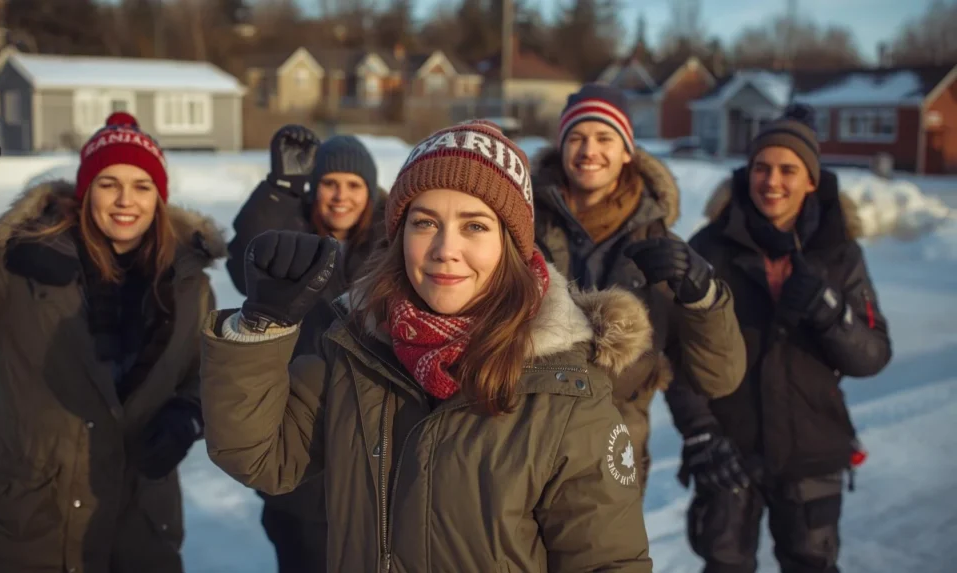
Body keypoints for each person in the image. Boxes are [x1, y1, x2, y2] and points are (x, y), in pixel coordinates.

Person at [201, 120, 654, 572]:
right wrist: (261, 325)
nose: (444, 248)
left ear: (510, 244)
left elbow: (608, 563)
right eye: (424, 223)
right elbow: (260, 456)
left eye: (474, 226)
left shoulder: (566, 393)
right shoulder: (356, 351)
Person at [0, 106, 223, 573]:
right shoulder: (17, 260)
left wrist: (189, 414)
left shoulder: (190, 283)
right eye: (109, 183)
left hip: (138, 530)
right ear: (86, 192)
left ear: (160, 198)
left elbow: (205, 374)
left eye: (142, 186)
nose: (125, 200)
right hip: (24, 530)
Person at [665, 105, 892, 573]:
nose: (771, 181)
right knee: (725, 565)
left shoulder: (839, 254)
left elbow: (872, 355)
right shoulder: (710, 248)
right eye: (761, 168)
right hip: (728, 448)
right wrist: (701, 432)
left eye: (788, 170)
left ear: (811, 180)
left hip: (811, 448)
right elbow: (677, 352)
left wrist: (829, 310)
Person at [531, 84, 746, 492]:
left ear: (628, 151)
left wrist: (704, 297)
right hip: (521, 439)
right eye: (576, 137)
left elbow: (717, 376)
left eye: (604, 138)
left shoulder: (661, 247)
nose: (588, 150)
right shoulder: (519, 227)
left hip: (613, 451)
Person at [225, 126, 385, 571]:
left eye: (354, 185)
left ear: (370, 192)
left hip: (371, 442)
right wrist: (280, 189)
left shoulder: (391, 247)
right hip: (300, 430)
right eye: (330, 183)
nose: (340, 196)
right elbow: (246, 258)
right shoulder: (292, 237)